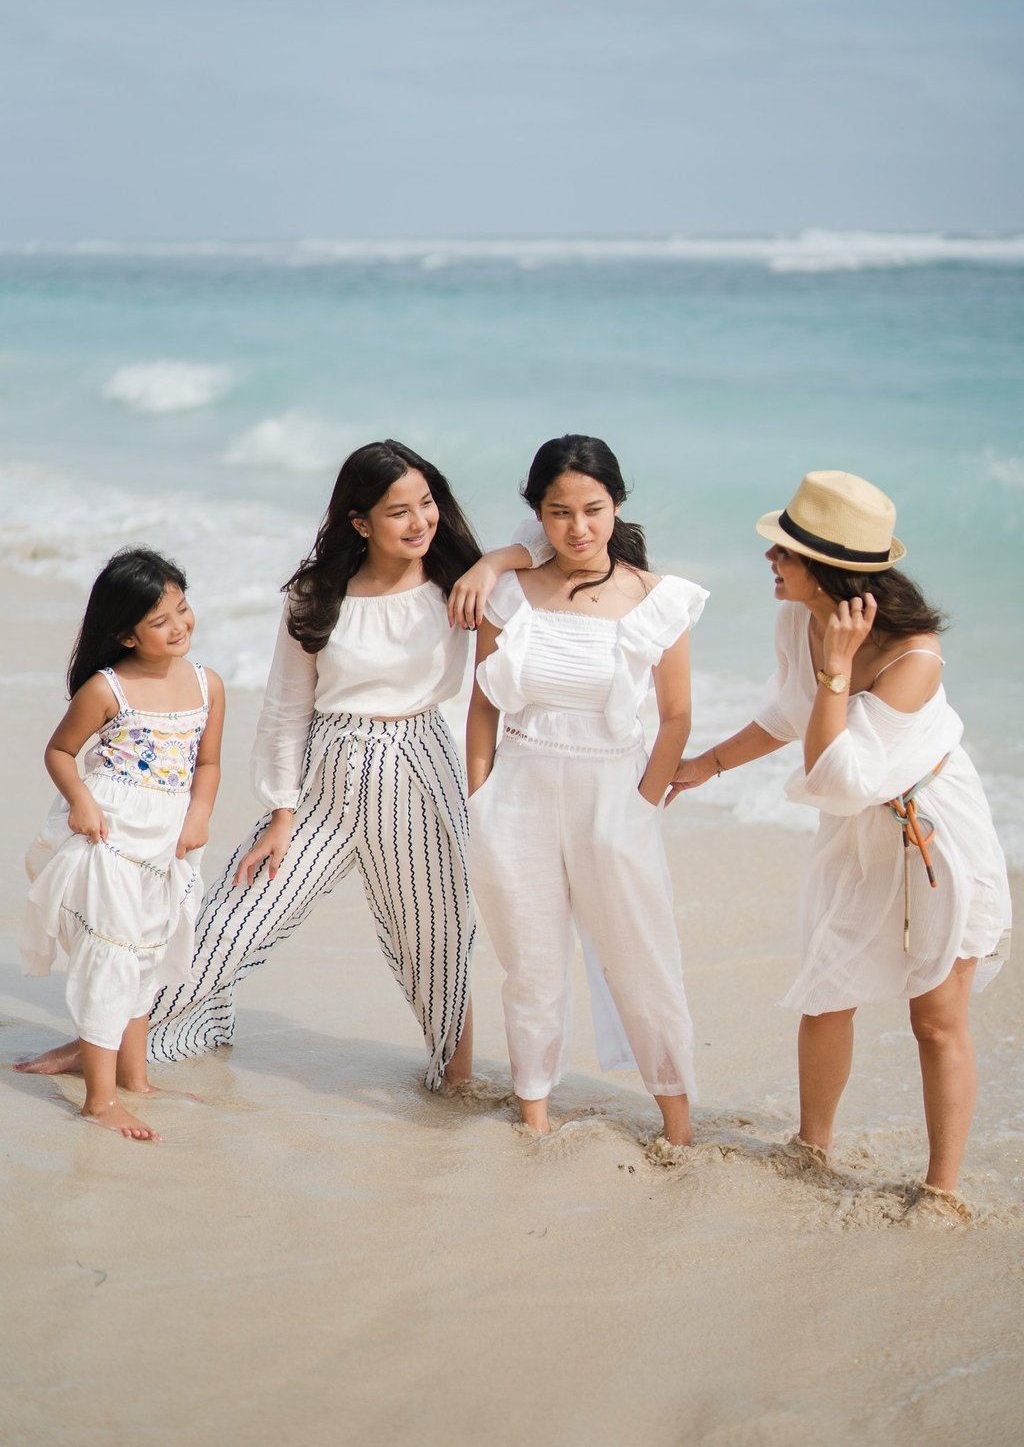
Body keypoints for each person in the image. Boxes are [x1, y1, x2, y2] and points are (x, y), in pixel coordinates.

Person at [75, 440, 544, 1092]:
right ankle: (111, 1038)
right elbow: (287, 706)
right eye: (398, 511)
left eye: (427, 503)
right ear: (359, 522)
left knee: (437, 941)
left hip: (420, 766)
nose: (420, 522)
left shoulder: (458, 582)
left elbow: (549, 537)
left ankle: (455, 1085)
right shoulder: (316, 595)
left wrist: (490, 564)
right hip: (327, 775)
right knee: (231, 920)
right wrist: (280, 810)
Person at [671, 470, 1011, 1207]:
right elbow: (792, 715)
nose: (771, 561)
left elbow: (837, 779)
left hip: (934, 839)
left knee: (935, 1019)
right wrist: (707, 764)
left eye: (785, 553)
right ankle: (811, 1148)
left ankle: (941, 1192)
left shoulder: (913, 658)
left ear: (828, 568)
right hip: (861, 839)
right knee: (828, 989)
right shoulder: (800, 615)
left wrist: (834, 675)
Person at [466, 435, 708, 1147]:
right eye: (559, 512)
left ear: (617, 505)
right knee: (531, 964)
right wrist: (480, 798)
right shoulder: (508, 594)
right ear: (537, 514)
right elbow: (482, 704)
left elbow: (678, 716)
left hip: (615, 795)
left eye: (593, 510)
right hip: (519, 794)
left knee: (643, 957)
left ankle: (678, 1124)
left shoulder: (658, 601)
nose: (578, 528)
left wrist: (641, 805)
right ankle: (534, 1115)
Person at [19, 549, 224, 1141]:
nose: (180, 626)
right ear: (124, 635)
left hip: (171, 842)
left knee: (148, 955)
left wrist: (201, 814)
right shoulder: (107, 689)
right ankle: (100, 1101)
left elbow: (207, 762)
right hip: (109, 835)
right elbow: (60, 752)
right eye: (161, 622)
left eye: (183, 609)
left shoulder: (208, 685)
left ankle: (136, 1078)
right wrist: (82, 802)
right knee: (111, 955)